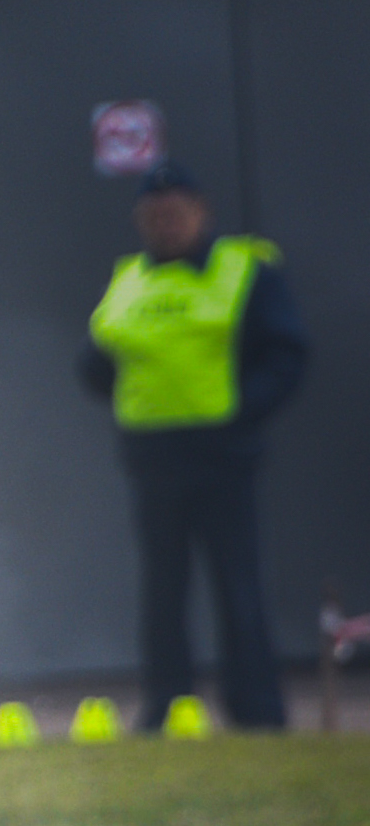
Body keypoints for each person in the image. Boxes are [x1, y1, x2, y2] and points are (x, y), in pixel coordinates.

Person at [80, 162, 309, 730]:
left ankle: (256, 711)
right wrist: (139, 398)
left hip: (224, 455)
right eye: (155, 216)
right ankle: (168, 705)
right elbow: (95, 361)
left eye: (177, 213)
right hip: (154, 458)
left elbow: (284, 354)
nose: (166, 224)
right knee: (162, 591)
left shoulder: (243, 271)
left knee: (239, 586)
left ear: (201, 212)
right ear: (139, 221)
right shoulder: (129, 278)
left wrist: (241, 409)